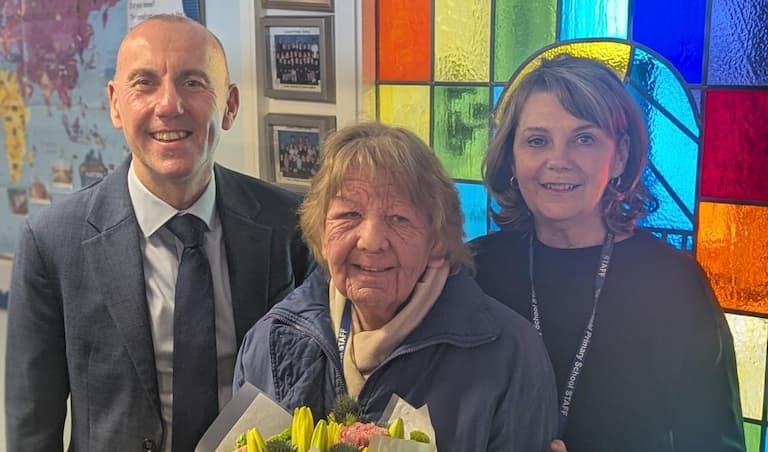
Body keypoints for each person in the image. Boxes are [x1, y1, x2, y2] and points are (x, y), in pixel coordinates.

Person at [5, 15, 313, 452]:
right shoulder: (52, 242)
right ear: (115, 104)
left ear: (229, 105)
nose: (168, 105)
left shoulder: (289, 224)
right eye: (144, 83)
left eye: (193, 82)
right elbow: (32, 429)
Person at [471, 54, 745, 452]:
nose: (558, 161)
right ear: (511, 156)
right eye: (537, 140)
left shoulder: (673, 284)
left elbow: (714, 444)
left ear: (619, 157)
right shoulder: (475, 272)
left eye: (584, 139)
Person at [234, 122, 559, 451]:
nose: (372, 241)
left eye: (399, 219)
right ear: (320, 231)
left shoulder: (510, 356)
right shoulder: (271, 340)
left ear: (436, 243)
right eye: (349, 214)